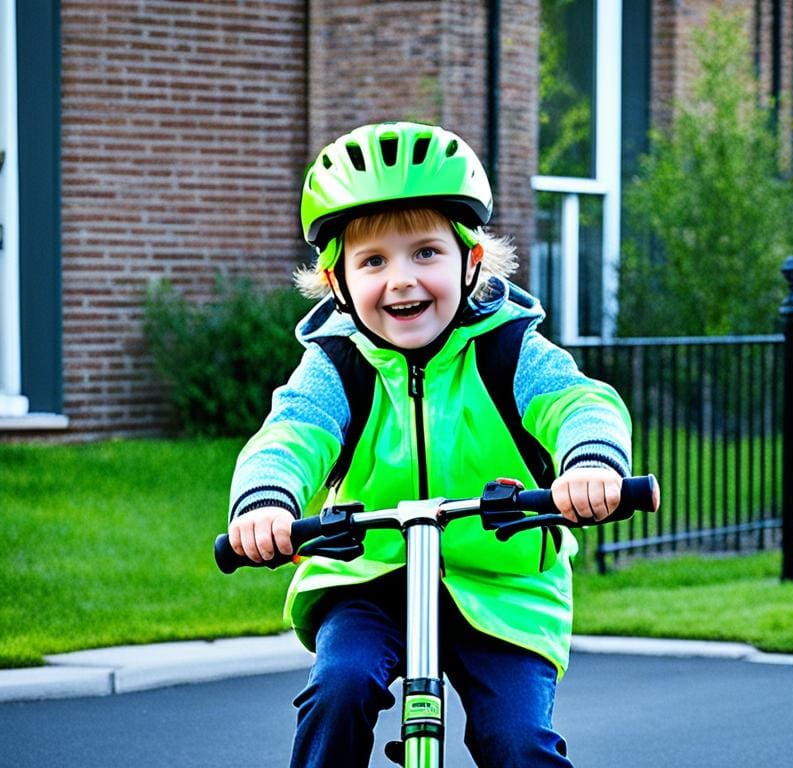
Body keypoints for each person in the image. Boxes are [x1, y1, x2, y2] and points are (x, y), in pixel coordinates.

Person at [227, 121, 633, 767]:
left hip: (502, 586)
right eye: (373, 261)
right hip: (371, 576)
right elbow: (292, 432)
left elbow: (578, 403)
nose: (402, 280)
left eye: (425, 252)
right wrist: (266, 503)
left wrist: (590, 463)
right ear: (336, 283)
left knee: (518, 740)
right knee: (339, 688)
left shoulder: (510, 348)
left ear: (470, 260)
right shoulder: (338, 364)